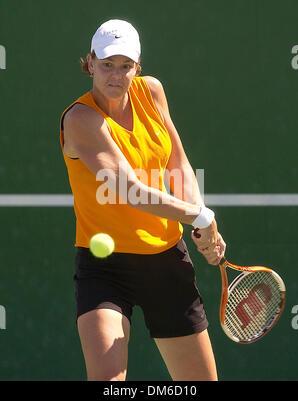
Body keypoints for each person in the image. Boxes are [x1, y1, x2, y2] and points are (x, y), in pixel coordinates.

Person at [60, 19, 226, 381]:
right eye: (106, 64)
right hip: (104, 268)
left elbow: (178, 164)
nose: (115, 76)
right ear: (89, 63)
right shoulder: (80, 119)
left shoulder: (151, 92)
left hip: (167, 260)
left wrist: (200, 222)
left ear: (138, 66)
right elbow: (132, 190)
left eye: (125, 66)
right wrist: (200, 216)